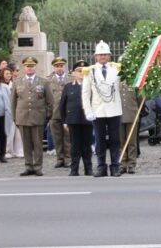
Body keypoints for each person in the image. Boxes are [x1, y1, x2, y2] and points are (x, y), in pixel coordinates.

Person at [82, 41, 123, 177]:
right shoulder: (90, 71)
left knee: (115, 139)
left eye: (105, 54)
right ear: (96, 56)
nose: (102, 57)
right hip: (98, 110)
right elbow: (86, 92)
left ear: (109, 55)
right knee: (99, 140)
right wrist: (87, 110)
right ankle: (101, 166)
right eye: (100, 55)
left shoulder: (117, 68)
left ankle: (115, 166)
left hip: (114, 108)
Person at [11, 57, 54, 176]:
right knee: (26, 144)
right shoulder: (17, 82)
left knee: (37, 144)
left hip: (38, 117)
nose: (29, 68)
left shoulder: (43, 82)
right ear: (24, 68)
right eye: (27, 66)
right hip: (22, 117)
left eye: (32, 66)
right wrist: (15, 117)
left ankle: (38, 167)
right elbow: (13, 101)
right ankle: (28, 166)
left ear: (35, 67)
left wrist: (48, 116)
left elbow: (50, 101)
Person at [60, 60, 93, 176]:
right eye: (78, 71)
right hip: (73, 120)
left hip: (88, 120)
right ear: (73, 73)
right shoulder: (69, 87)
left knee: (87, 146)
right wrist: (64, 122)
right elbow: (62, 106)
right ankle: (74, 169)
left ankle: (88, 168)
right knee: (75, 146)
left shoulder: (92, 86)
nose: (81, 73)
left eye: (84, 71)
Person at [48, 57, 73, 169]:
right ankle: (59, 158)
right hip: (54, 113)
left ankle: (68, 158)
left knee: (67, 138)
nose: (59, 68)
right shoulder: (48, 80)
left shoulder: (71, 79)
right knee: (57, 138)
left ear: (64, 67)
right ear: (54, 67)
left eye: (61, 66)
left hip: (67, 113)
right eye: (57, 66)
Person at [119, 74, 141, 175]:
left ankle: (132, 164)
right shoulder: (116, 81)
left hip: (132, 115)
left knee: (132, 142)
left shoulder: (134, 82)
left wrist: (137, 112)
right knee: (121, 141)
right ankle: (122, 164)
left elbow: (140, 99)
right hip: (119, 115)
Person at [2, 68, 23, 159]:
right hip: (6, 110)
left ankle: (18, 150)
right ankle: (7, 150)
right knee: (9, 132)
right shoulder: (1, 85)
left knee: (17, 132)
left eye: (9, 73)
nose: (8, 75)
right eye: (6, 73)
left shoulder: (15, 83)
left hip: (15, 109)